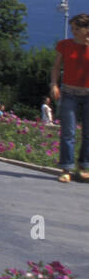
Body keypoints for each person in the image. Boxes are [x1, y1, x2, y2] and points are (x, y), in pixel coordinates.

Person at [52, 13, 89, 182]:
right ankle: (66, 169)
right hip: (69, 94)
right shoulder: (65, 45)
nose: (73, 31)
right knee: (68, 132)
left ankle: (84, 167)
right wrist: (54, 84)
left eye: (77, 28)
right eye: (72, 28)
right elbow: (56, 66)